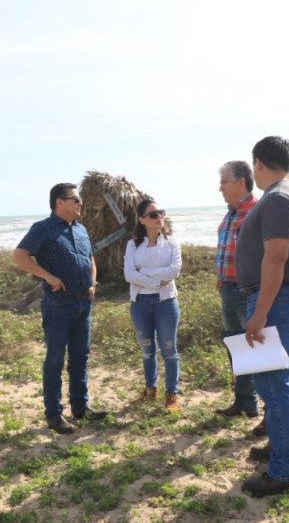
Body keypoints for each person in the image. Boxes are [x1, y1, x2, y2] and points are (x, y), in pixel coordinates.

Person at [235, 136, 289, 497]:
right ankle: (285, 447)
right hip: (282, 298)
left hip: (274, 301)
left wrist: (259, 313)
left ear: (259, 163)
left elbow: (276, 258)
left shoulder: (279, 197)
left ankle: (284, 468)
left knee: (275, 386)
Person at [12, 183, 107, 435]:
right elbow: (19, 256)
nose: (80, 203)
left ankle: (80, 407)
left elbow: (90, 258)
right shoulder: (42, 229)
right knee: (55, 360)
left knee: (80, 357)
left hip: (82, 303)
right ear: (59, 202)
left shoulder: (81, 229)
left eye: (80, 200)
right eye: (75, 199)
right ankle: (54, 415)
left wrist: (93, 282)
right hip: (58, 304)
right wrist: (49, 278)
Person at [213, 161, 267, 435]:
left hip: (248, 294)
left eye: (224, 182)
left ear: (240, 183)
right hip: (228, 291)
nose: (220, 187)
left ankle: (269, 412)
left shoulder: (256, 211)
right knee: (237, 349)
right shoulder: (232, 213)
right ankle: (245, 402)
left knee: (260, 353)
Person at [123, 200, 182, 412]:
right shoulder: (132, 245)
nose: (159, 216)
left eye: (161, 212)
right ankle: (150, 391)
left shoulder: (172, 242)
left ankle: (171, 395)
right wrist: (157, 280)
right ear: (142, 220)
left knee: (169, 350)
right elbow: (128, 275)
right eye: (153, 214)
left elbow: (174, 271)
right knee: (147, 350)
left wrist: (143, 274)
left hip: (166, 302)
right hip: (140, 303)